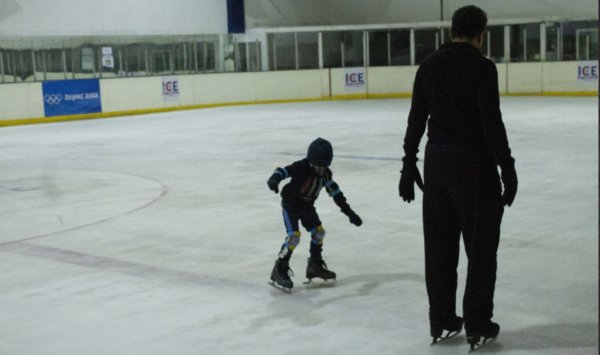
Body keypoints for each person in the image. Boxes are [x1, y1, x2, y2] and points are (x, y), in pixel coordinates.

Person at [398, 5, 518, 349]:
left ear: (451, 30)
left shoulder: (429, 65)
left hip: (436, 166)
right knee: (480, 248)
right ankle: (478, 323)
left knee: (439, 248)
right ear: (481, 34)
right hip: (474, 166)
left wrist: (408, 164)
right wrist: (506, 167)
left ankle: (442, 320)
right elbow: (491, 122)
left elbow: (416, 119)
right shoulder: (482, 67)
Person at [267, 137, 362, 292]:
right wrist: (274, 180)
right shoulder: (301, 166)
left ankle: (314, 264)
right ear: (310, 159)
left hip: (307, 208)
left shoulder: (325, 174)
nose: (320, 170)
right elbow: (283, 171)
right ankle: (280, 268)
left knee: (319, 233)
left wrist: (349, 213)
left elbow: (336, 194)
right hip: (290, 206)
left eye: (324, 166)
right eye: (317, 166)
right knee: (294, 236)